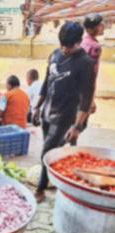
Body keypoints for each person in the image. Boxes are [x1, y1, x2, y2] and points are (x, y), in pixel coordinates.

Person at [32, 21, 95, 203]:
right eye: (62, 44)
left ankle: (41, 189)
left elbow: (86, 98)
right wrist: (37, 106)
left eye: (69, 45)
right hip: (47, 112)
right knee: (50, 149)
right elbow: (47, 81)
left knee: (47, 150)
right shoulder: (55, 54)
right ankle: (64, 168)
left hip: (65, 117)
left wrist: (77, 125)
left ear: (79, 41)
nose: (65, 49)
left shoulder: (85, 63)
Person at [81, 14, 105, 127]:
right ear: (92, 28)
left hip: (72, 91)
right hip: (84, 94)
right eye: (100, 24)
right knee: (78, 127)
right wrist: (91, 100)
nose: (103, 26)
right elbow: (91, 76)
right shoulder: (94, 46)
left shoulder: (82, 41)